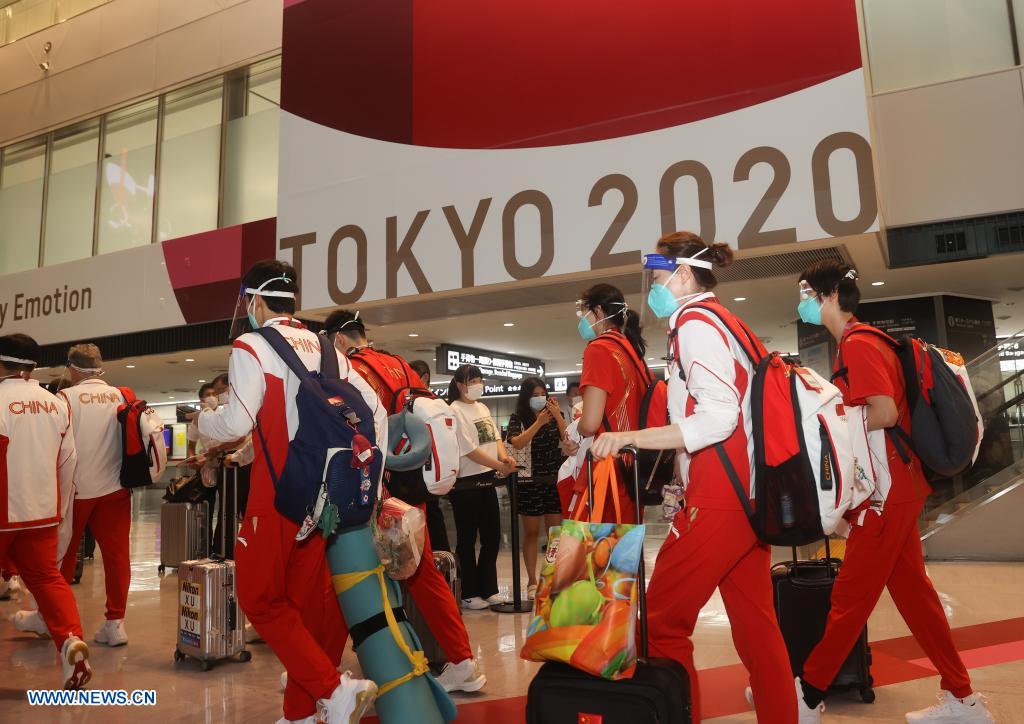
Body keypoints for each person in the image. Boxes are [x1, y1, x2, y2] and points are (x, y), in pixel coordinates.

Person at [590, 231, 796, 723]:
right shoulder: (726, 320)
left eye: (659, 278)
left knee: (662, 623)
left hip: (719, 495)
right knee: (756, 627)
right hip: (746, 493)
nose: (655, 289)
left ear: (682, 275)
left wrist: (630, 438)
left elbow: (719, 416)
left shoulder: (696, 323)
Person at [793, 260, 993, 724]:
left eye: (805, 292)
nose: (801, 302)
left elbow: (881, 412)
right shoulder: (865, 340)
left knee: (851, 596)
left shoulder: (859, 345)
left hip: (886, 494)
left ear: (827, 296)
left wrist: (830, 417)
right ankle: (963, 700)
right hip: (899, 486)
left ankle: (806, 695)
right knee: (915, 599)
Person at [198, 260, 382, 724]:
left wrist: (202, 424)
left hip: (279, 494)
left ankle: (333, 690)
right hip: (327, 498)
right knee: (301, 605)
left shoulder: (252, 344)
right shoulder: (329, 348)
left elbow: (237, 423)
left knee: (259, 597)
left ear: (254, 301)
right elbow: (373, 408)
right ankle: (301, 713)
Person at [323, 309, 486, 694]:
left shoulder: (350, 370)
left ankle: (323, 671)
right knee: (423, 575)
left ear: (340, 340)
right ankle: (463, 662)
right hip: (413, 488)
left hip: (373, 493)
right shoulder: (399, 365)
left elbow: (347, 432)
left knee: (344, 575)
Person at [0, 333, 91, 689]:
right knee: (48, 580)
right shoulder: (55, 403)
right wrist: (62, 514)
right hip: (42, 512)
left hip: (4, 511)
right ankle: (72, 644)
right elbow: (69, 461)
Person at [54, 344, 133, 647]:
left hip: (76, 489)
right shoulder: (122, 395)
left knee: (62, 555)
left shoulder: (65, 398)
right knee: (117, 557)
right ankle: (115, 623)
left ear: (72, 368)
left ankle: (55, 619)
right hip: (116, 488)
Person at [573, 283, 649, 523]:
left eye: (583, 312)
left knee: (597, 552)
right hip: (635, 465)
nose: (582, 319)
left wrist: (575, 429)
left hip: (610, 466)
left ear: (597, 311)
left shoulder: (599, 349)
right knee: (625, 550)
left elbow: (591, 423)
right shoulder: (631, 350)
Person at [446, 364, 517, 610]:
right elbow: (469, 450)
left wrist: (504, 459)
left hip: (488, 478)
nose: (477, 384)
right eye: (471, 380)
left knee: (492, 536)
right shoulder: (454, 411)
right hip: (466, 483)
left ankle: (489, 589)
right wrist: (500, 463)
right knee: (467, 539)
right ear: (459, 384)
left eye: (478, 379)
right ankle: (469, 592)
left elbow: (495, 438)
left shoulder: (483, 407)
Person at [506, 377, 566, 599]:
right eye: (535, 395)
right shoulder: (517, 418)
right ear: (526, 397)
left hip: (552, 480)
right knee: (531, 532)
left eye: (543, 394)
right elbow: (517, 442)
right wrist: (539, 422)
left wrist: (557, 415)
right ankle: (531, 581)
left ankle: (551, 577)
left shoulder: (552, 416)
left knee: (555, 533)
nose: (540, 399)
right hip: (528, 482)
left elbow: (567, 438)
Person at [407, 359, 451, 553]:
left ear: (424, 378)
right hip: (422, 468)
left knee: (431, 515)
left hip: (428, 469)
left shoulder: (432, 403)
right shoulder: (421, 403)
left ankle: (440, 559)